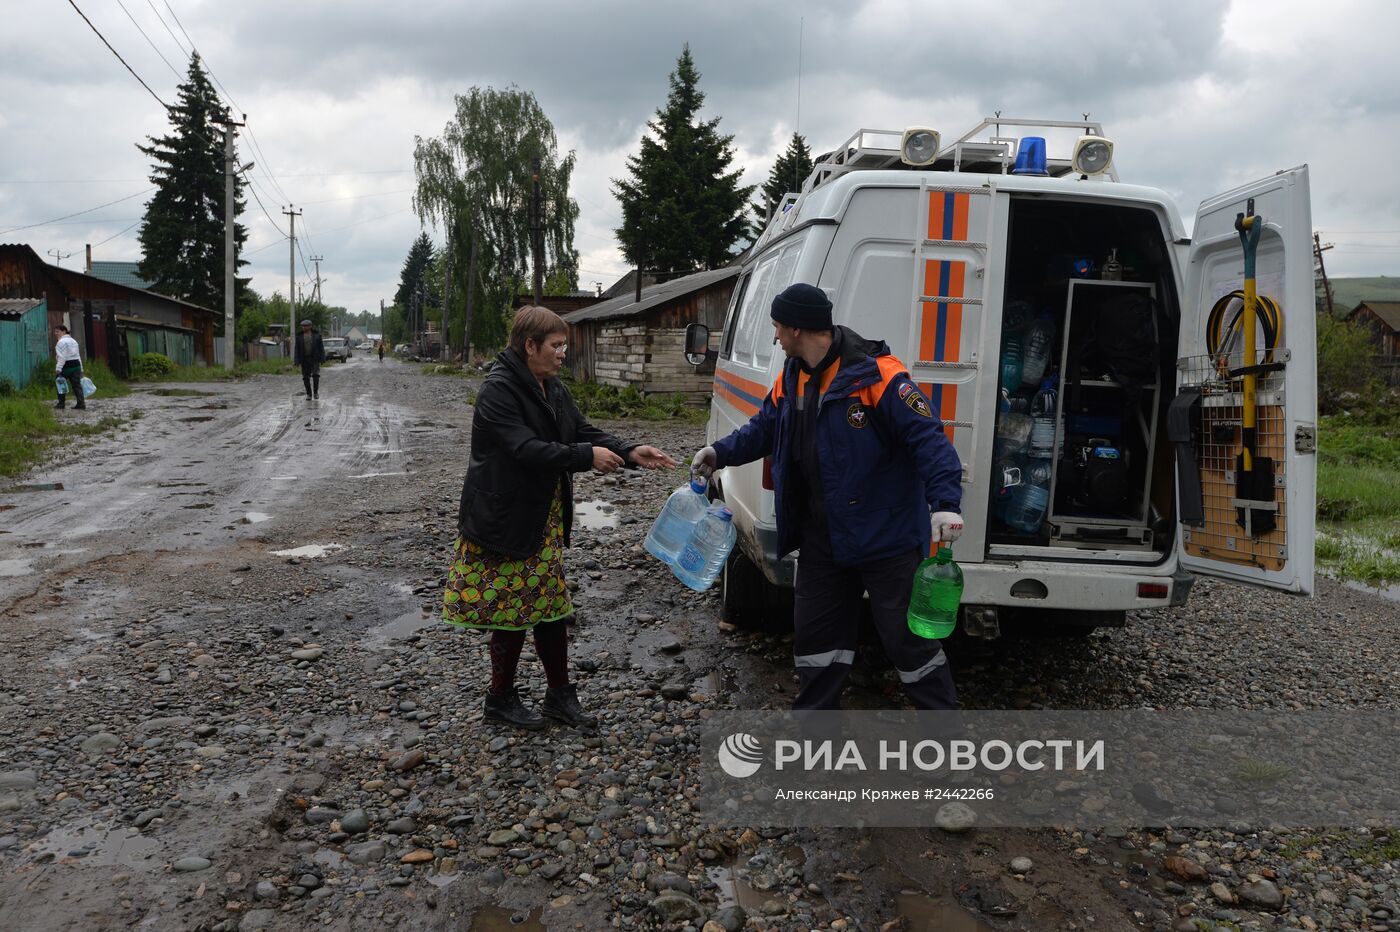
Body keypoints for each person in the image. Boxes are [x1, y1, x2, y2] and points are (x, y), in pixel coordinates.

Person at [693, 283, 964, 711]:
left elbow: (929, 441)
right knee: (817, 641)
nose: (776, 336)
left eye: (778, 327)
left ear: (798, 329)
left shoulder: (880, 375)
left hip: (885, 537)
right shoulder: (793, 374)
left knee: (908, 643)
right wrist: (718, 452)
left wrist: (945, 502)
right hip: (822, 537)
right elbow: (764, 428)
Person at [444, 305, 677, 730]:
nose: (562, 353)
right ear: (529, 345)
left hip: (541, 516)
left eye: (564, 345)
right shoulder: (498, 390)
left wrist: (627, 450)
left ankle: (559, 696)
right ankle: (499, 699)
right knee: (510, 612)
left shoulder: (550, 386)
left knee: (550, 606)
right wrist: (586, 458)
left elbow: (580, 431)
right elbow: (525, 449)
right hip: (505, 518)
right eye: (556, 345)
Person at [53, 324, 85, 410]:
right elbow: (78, 356)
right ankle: (81, 404)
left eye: (57, 331)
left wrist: (58, 368)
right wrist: (81, 368)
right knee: (77, 385)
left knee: (60, 383)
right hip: (76, 366)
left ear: (64, 331)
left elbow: (62, 357)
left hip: (66, 366)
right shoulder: (74, 341)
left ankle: (61, 404)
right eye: (55, 332)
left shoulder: (61, 342)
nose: (55, 333)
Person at [292, 319, 324, 399]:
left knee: (316, 375)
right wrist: (296, 360)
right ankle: (309, 394)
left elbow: (321, 348)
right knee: (306, 377)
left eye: (305, 326)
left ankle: (316, 393)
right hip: (304, 359)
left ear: (310, 326)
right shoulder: (299, 336)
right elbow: (297, 349)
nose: (304, 327)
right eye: (303, 326)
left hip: (315, 358)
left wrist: (322, 358)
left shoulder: (317, 335)